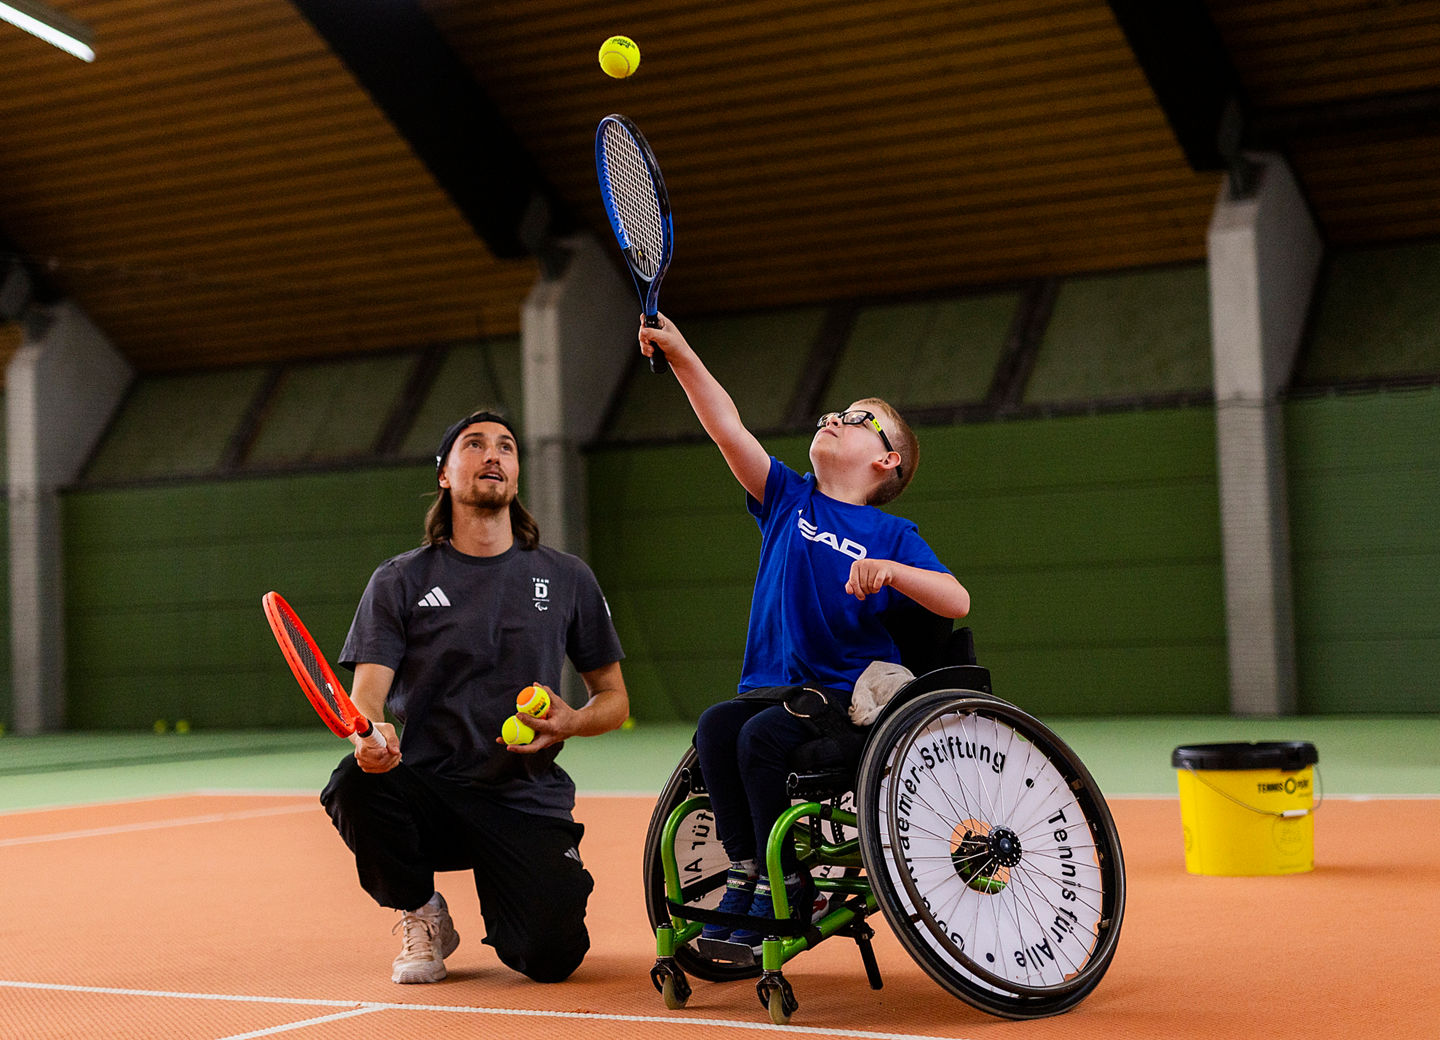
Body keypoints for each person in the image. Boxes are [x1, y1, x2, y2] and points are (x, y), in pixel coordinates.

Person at [638, 315, 970, 949]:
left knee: (759, 739)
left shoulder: (892, 535)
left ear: (887, 460)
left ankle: (787, 881)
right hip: (772, 689)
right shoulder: (788, 498)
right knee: (716, 727)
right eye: (834, 412)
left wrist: (893, 572)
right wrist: (679, 353)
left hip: (839, 698)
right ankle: (747, 869)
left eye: (857, 418)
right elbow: (726, 426)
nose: (834, 418)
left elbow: (956, 598)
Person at [320, 410, 629, 985]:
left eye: (506, 447)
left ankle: (525, 893)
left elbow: (613, 699)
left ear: (516, 472)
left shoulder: (567, 577)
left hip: (524, 798)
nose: (494, 454)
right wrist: (372, 735)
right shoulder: (399, 580)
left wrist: (570, 721)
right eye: (475, 444)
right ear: (444, 474)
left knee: (550, 958)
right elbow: (366, 697)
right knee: (353, 782)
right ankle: (421, 909)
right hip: (430, 792)